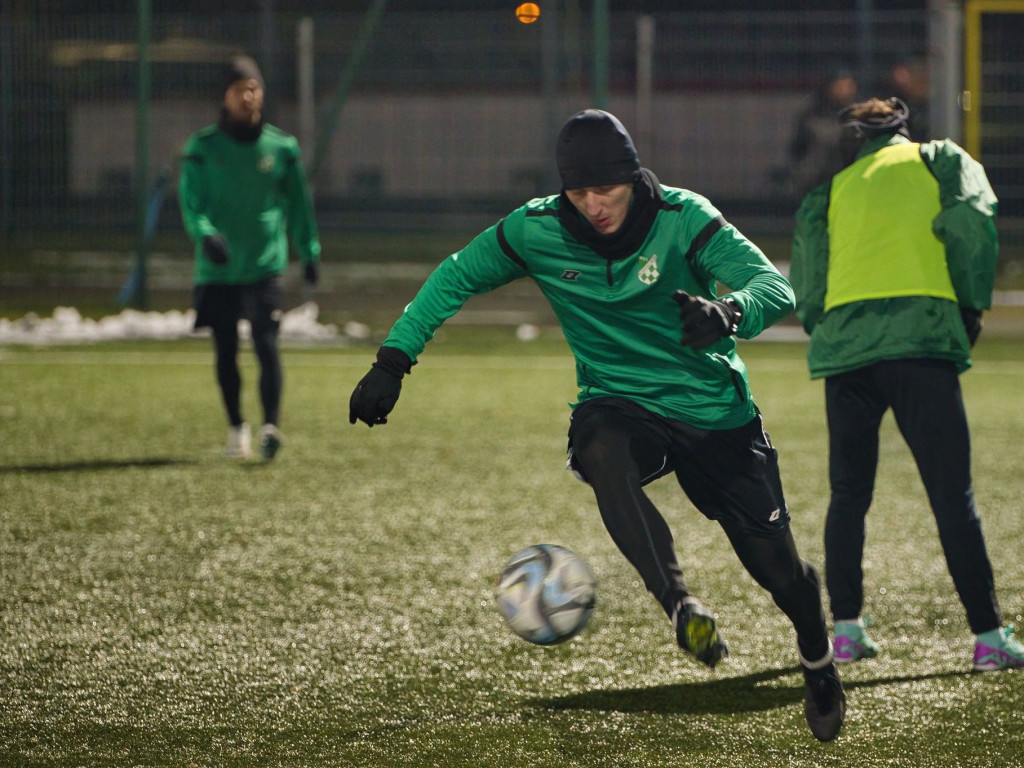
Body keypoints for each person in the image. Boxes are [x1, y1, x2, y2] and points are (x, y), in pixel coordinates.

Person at [349, 109, 846, 741]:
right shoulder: (536, 229)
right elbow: (454, 277)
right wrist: (392, 361)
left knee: (781, 574)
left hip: (713, 413)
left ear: (633, 178)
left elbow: (773, 287)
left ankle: (816, 656)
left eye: (605, 189)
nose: (594, 205)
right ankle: (679, 604)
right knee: (600, 446)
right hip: (619, 401)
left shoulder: (683, 218)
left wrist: (727, 311)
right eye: (579, 192)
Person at [790, 97, 1024, 671]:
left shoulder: (831, 191)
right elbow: (970, 225)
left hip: (847, 351)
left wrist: (831, 329)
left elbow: (809, 278)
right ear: (901, 127)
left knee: (848, 495)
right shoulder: (939, 159)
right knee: (952, 496)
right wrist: (969, 305)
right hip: (920, 343)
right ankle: (988, 639)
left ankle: (847, 633)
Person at [179, 55, 321, 460]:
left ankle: (270, 427)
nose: (248, 96)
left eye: (254, 88)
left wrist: (309, 249)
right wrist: (205, 235)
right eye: (239, 89)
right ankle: (236, 427)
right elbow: (191, 203)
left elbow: (298, 205)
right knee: (225, 349)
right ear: (224, 96)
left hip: (265, 265)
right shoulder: (202, 148)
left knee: (266, 343)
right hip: (219, 269)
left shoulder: (282, 148)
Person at [781, 68, 859, 199]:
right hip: (817, 182)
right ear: (829, 88)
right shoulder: (813, 116)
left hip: (849, 180)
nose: (844, 91)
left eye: (848, 86)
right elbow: (798, 150)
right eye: (839, 86)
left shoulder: (858, 116)